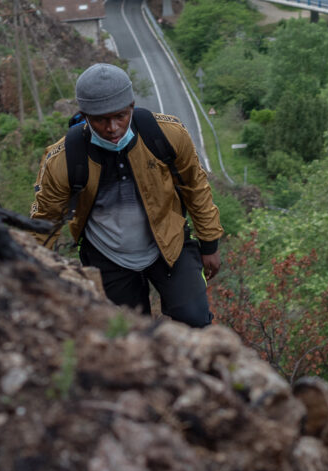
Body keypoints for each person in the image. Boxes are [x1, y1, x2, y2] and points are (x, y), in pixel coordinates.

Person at [31, 63, 223, 327]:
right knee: (129, 332)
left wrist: (209, 243)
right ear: (85, 115)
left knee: (195, 319)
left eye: (120, 116)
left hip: (170, 243)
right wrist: (31, 273)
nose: (112, 128)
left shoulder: (167, 134)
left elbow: (196, 187)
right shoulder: (62, 159)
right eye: (100, 119)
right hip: (107, 256)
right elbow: (46, 219)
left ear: (132, 106)